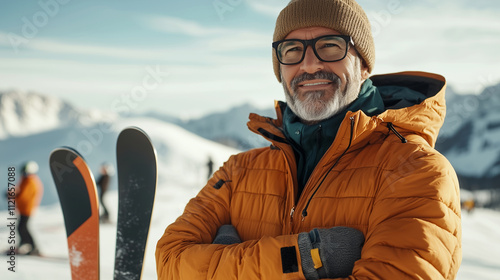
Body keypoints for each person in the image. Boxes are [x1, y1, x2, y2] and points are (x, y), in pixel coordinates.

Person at [156, 0, 462, 279]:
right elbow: (170, 261)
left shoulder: (417, 171)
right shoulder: (238, 172)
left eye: (329, 46)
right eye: (292, 50)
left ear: (364, 66)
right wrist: (309, 257)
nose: (310, 64)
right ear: (280, 70)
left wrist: (223, 266)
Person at [15, 161, 44, 255]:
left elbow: (23, 195)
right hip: (23, 208)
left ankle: (33, 247)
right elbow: (20, 192)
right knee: (21, 227)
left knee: (22, 227)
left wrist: (12, 195)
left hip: (27, 208)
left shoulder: (30, 181)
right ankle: (24, 244)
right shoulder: (25, 180)